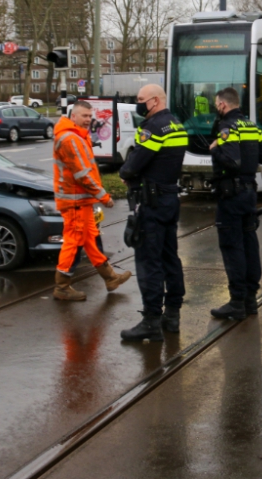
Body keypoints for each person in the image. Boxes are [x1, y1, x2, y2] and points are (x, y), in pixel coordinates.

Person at [118, 84, 188, 342]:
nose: (137, 104)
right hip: (169, 199)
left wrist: (126, 173)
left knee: (149, 261)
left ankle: (150, 320)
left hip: (151, 202)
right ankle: (172, 314)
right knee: (171, 257)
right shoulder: (177, 125)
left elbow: (134, 164)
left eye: (140, 100)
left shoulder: (152, 128)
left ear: (155, 101)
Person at [52, 100, 132, 300]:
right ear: (73, 117)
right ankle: (62, 286)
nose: (88, 120)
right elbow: (83, 174)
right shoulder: (70, 138)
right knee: (73, 241)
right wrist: (103, 196)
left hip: (81, 200)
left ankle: (110, 278)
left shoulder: (76, 136)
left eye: (90, 116)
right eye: (84, 116)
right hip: (75, 200)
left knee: (90, 239)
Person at [207, 87, 262, 320]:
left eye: (217, 104)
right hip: (249, 195)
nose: (217, 108)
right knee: (249, 243)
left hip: (231, 196)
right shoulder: (252, 126)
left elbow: (231, 161)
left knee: (232, 246)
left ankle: (236, 302)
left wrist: (215, 149)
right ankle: (250, 300)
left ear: (223, 105)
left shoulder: (227, 127)